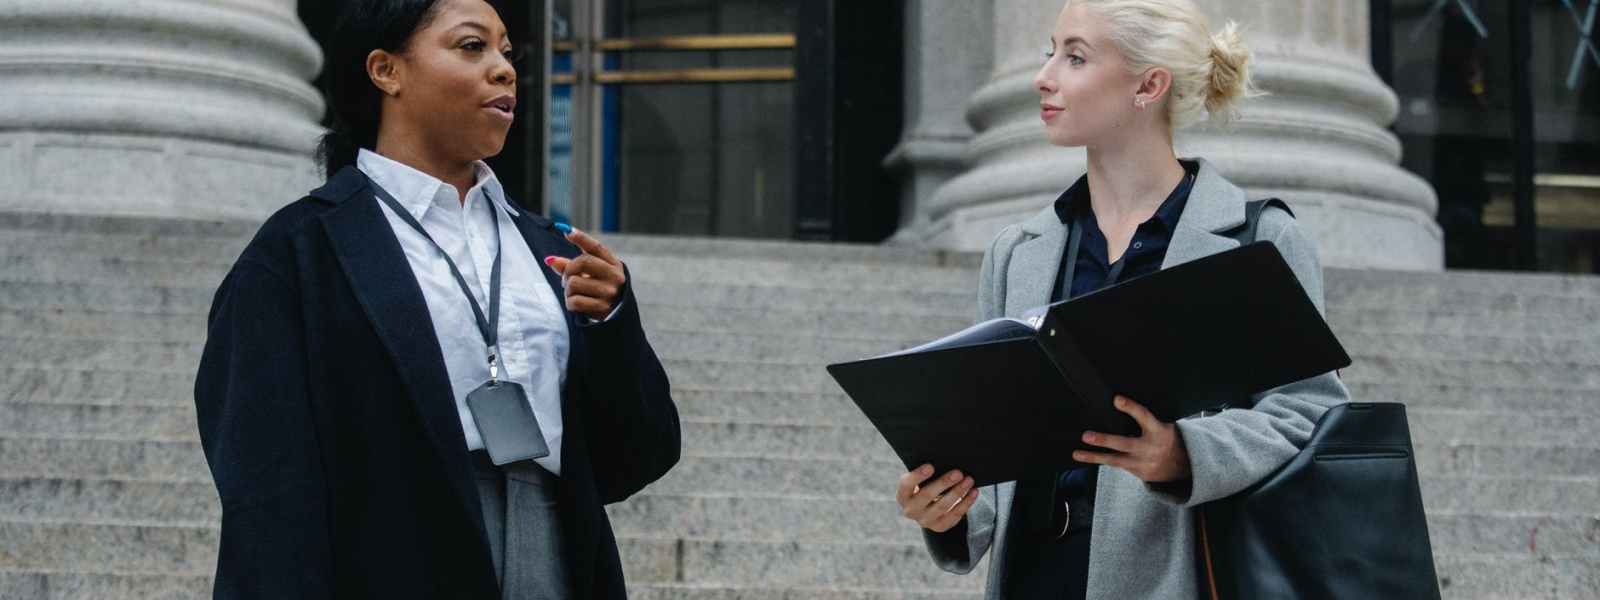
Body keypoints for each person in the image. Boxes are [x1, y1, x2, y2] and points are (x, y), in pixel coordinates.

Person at [193, 1, 680, 598]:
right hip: (388, 554)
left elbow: (637, 456)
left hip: (555, 544)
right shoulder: (299, 251)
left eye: (507, 51)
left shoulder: (544, 247)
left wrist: (613, 322)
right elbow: (265, 484)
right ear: (386, 71)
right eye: (472, 47)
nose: (503, 69)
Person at [892, 0, 1352, 598]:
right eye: (1049, 52)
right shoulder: (1018, 252)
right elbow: (995, 451)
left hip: (1179, 577)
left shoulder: (1256, 238)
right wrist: (948, 509)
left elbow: (1309, 413)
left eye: (1075, 57)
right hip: (1033, 579)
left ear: (1149, 85)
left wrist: (1185, 454)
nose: (1045, 76)